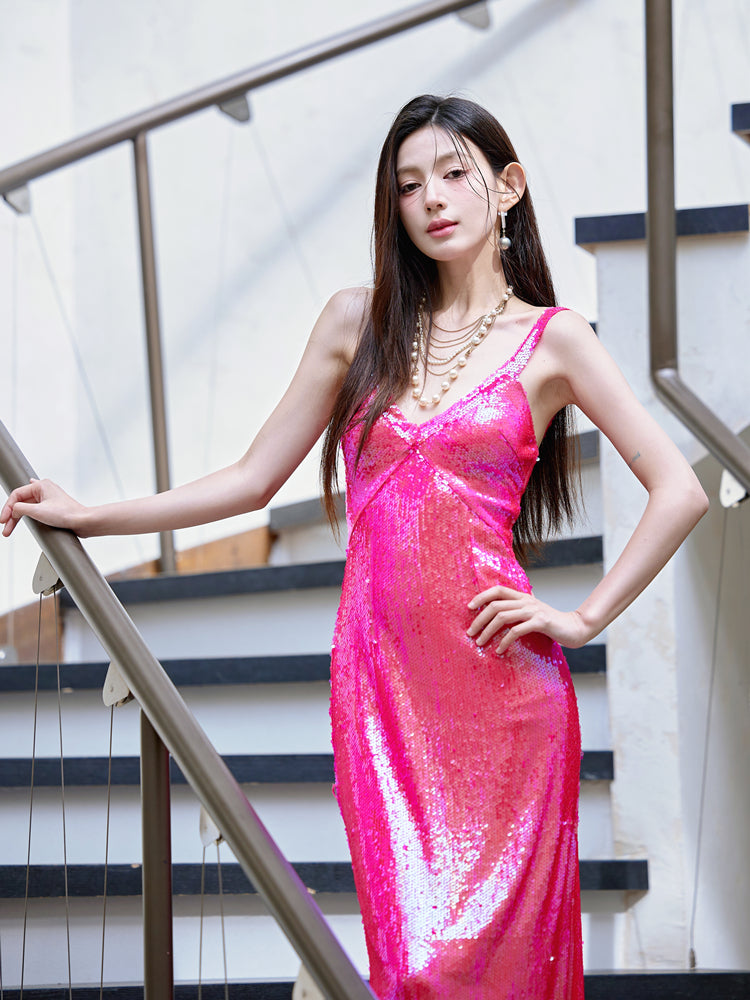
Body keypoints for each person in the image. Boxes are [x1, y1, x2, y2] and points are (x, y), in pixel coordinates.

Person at [1, 95, 708, 999]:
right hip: (381, 694)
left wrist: (583, 618)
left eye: (453, 174)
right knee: (412, 965)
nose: (432, 198)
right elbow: (252, 479)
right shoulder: (355, 323)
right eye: (408, 185)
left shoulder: (554, 338)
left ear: (508, 187)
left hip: (507, 701)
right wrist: (92, 515)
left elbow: (679, 488)